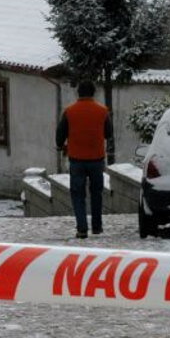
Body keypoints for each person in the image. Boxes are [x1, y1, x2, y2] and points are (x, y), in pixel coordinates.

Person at [55, 80, 113, 238]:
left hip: (77, 159)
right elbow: (108, 133)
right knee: (96, 193)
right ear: (93, 93)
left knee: (78, 193)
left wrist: (61, 145)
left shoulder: (69, 111)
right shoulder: (102, 111)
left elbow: (60, 135)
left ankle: (82, 228)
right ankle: (97, 226)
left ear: (78, 93)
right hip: (96, 159)